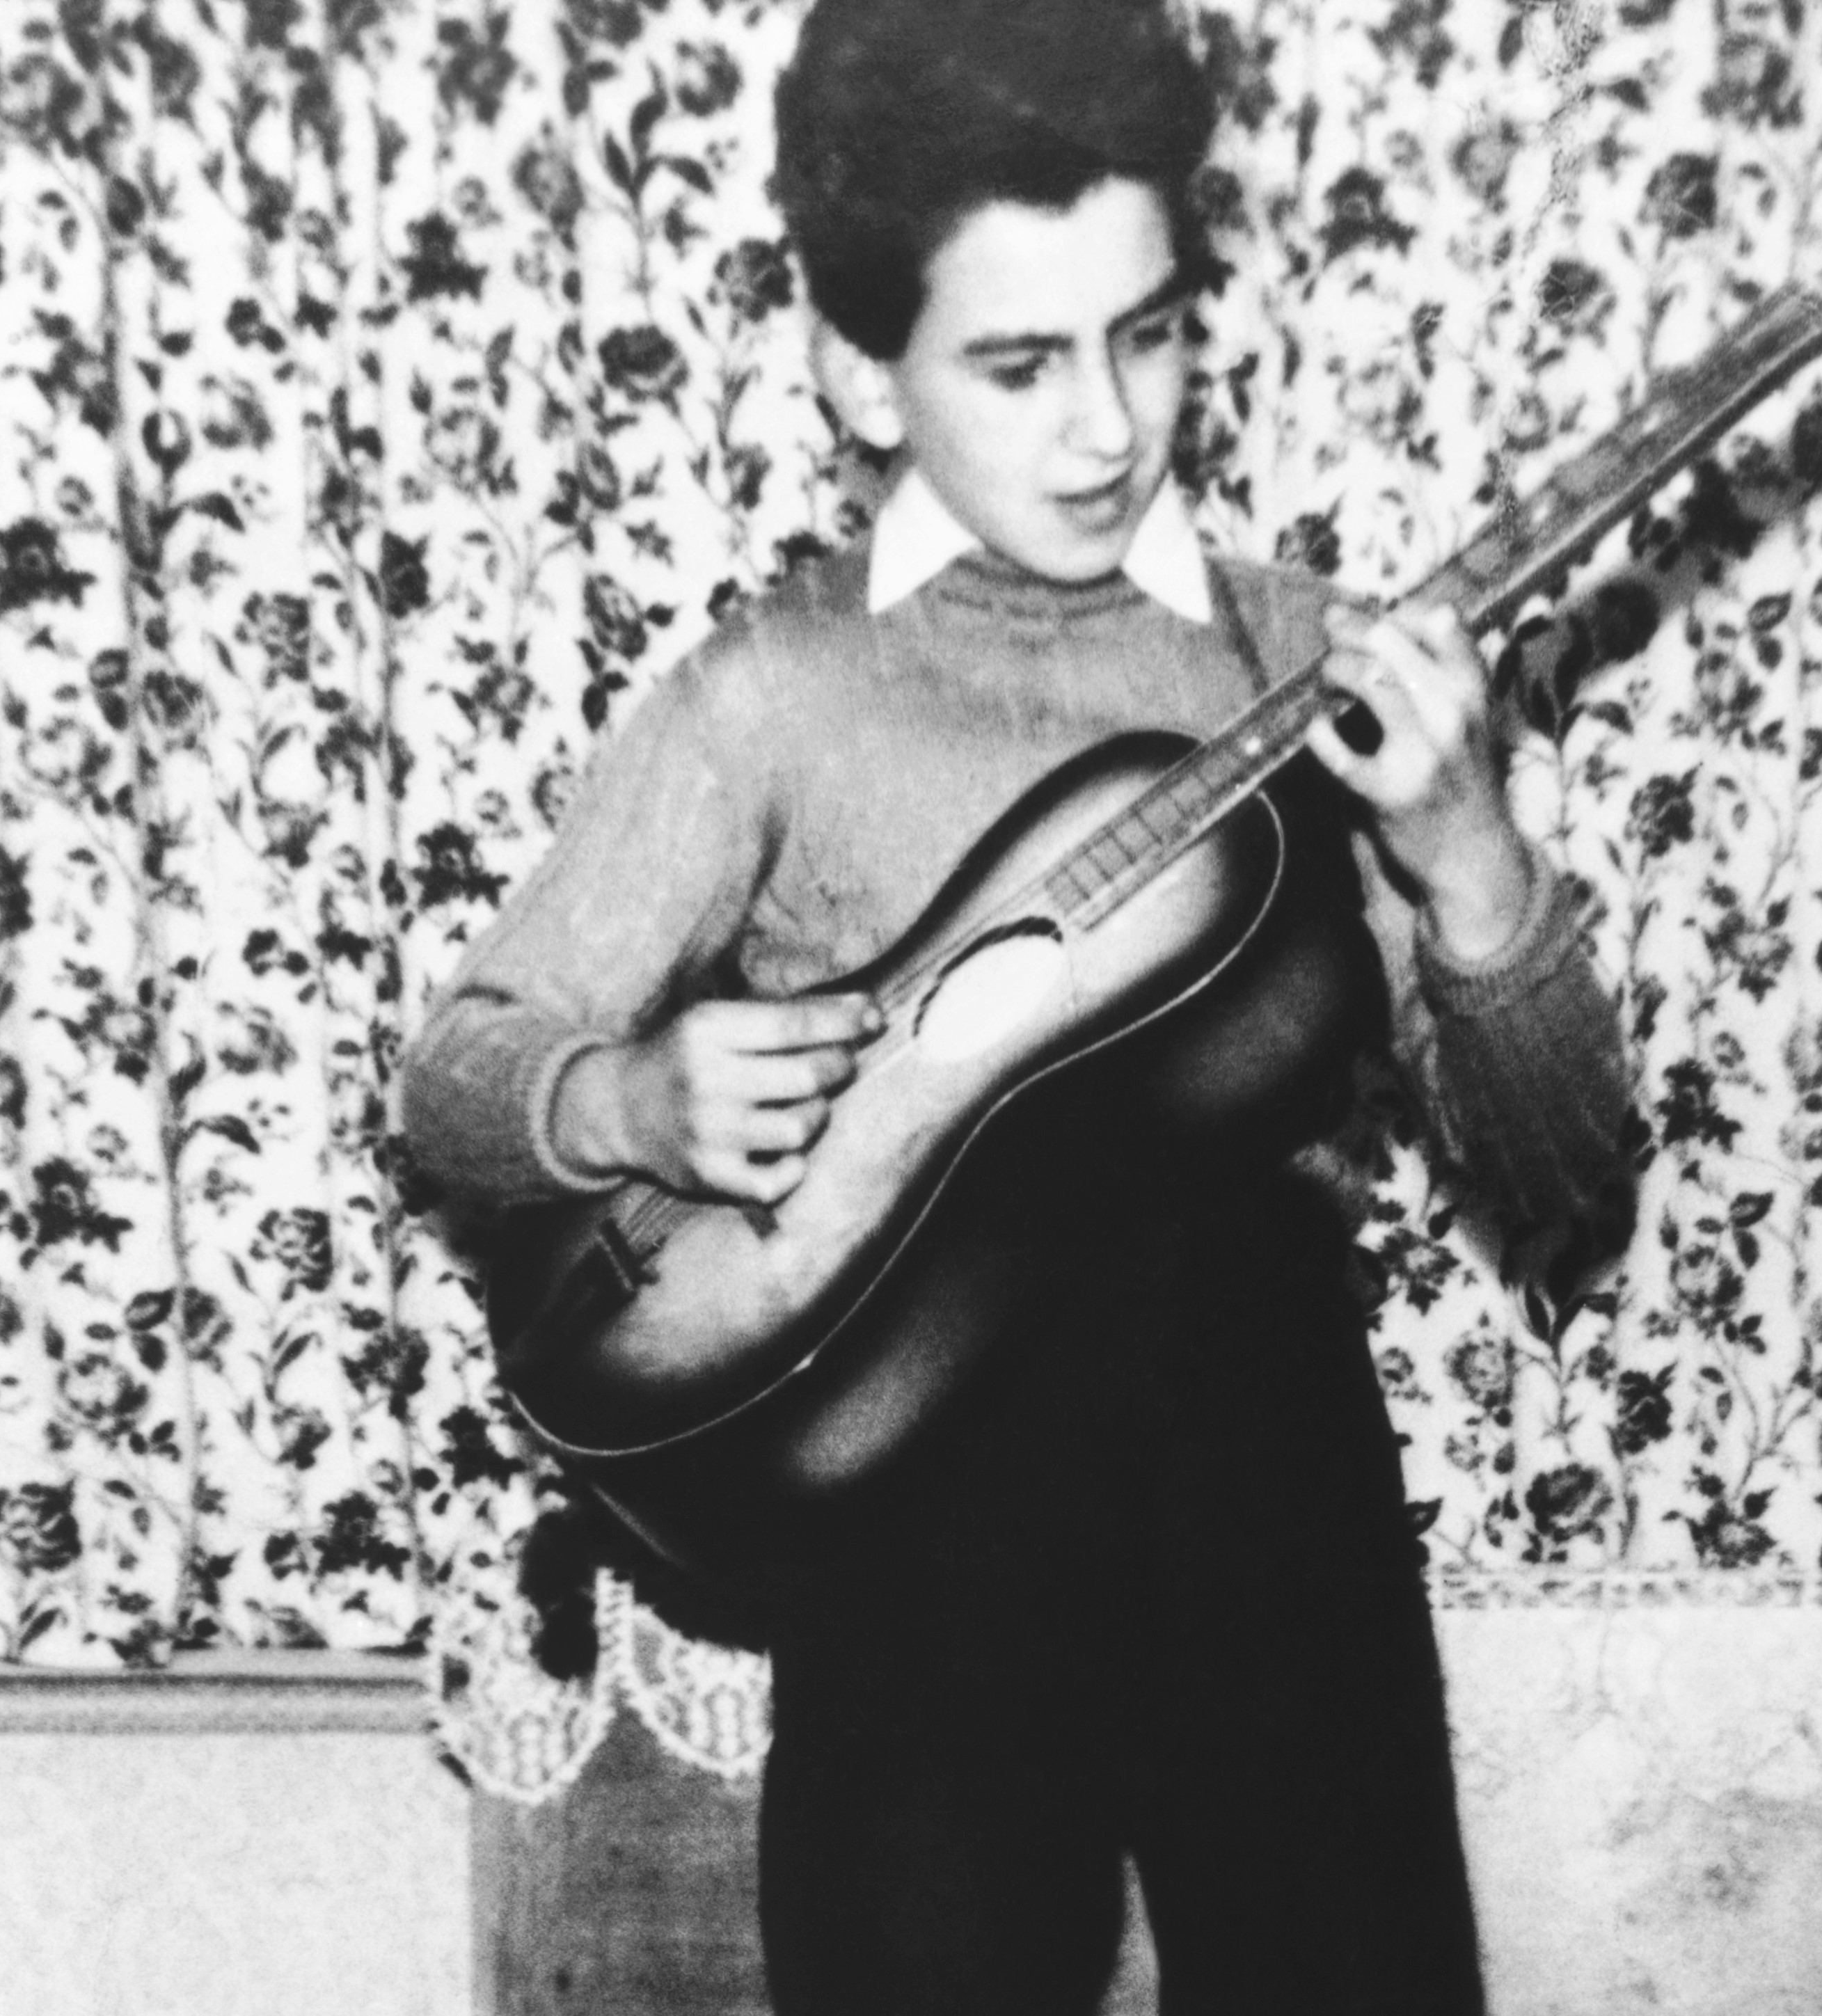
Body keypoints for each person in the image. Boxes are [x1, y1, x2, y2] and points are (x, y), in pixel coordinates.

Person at [402, 1, 1634, 2009]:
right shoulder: (772, 693)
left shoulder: (1304, 656)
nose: (1104, 426)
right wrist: (627, 1098)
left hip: (1270, 1515)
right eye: (1018, 360)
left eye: (1146, 334)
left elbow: (1567, 1168)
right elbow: (456, 1081)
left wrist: (1469, 855)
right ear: (859, 377)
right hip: (919, 1533)